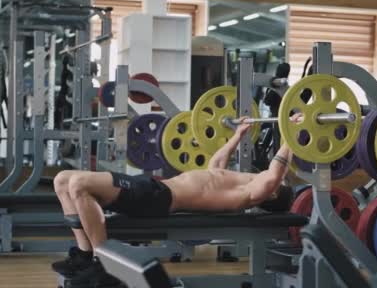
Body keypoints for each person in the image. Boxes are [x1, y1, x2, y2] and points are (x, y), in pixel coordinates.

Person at [51, 117, 293, 282]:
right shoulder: (240, 180)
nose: (275, 179)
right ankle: (84, 256)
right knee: (62, 179)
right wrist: (238, 136)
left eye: (280, 183)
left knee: (79, 185)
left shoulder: (250, 194)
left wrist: (291, 137)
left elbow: (273, 175)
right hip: (153, 189)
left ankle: (103, 263)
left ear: (272, 193)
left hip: (156, 198)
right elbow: (215, 165)